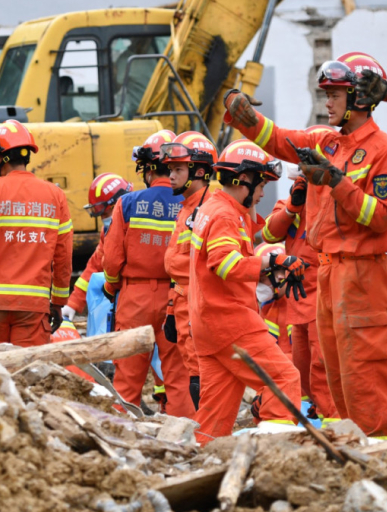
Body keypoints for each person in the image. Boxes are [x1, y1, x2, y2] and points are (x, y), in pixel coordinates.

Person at [223, 51, 387, 438]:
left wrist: (337, 182)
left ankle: (380, 451)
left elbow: (382, 218)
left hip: (364, 272)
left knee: (364, 369)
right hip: (328, 271)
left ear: (359, 98)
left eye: (335, 94)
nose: (327, 102)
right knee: (334, 369)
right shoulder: (327, 141)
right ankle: (348, 443)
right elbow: (282, 140)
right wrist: (246, 119)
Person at [189, 139, 304, 442]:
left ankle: (204, 466)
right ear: (244, 180)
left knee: (215, 414)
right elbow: (225, 265)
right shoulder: (226, 215)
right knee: (283, 379)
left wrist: (264, 270)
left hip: (208, 324)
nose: (264, 193)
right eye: (261, 184)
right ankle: (271, 455)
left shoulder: (215, 208)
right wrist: (272, 260)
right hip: (231, 321)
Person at [102, 129, 196, 418]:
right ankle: (185, 436)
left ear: (147, 168)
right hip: (176, 297)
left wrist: (111, 286)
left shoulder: (128, 203)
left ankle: (122, 430)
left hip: (134, 298)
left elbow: (112, 260)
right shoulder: (190, 203)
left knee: (128, 375)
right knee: (178, 375)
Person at [0, 120, 73, 348]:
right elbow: (64, 255)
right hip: (34, 307)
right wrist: (58, 302)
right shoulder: (55, 195)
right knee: (29, 374)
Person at [262, 129, 338, 420]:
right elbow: (269, 232)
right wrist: (293, 207)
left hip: (324, 295)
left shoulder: (333, 202)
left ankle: (331, 425)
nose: (299, 183)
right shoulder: (293, 203)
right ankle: (310, 419)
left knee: (323, 368)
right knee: (301, 368)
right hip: (298, 300)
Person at [160, 130, 216, 410]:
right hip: (184, 305)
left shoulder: (208, 209)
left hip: (200, 307)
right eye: (170, 169)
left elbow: (203, 265)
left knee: (201, 374)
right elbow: (178, 267)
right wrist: (171, 310)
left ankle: (208, 433)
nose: (170, 176)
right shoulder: (187, 208)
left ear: (201, 172)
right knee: (194, 372)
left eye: (178, 169)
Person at [62, 173, 132, 321]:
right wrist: (73, 303)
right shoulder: (107, 232)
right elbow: (94, 267)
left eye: (105, 213)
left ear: (118, 205)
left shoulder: (137, 228)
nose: (103, 219)